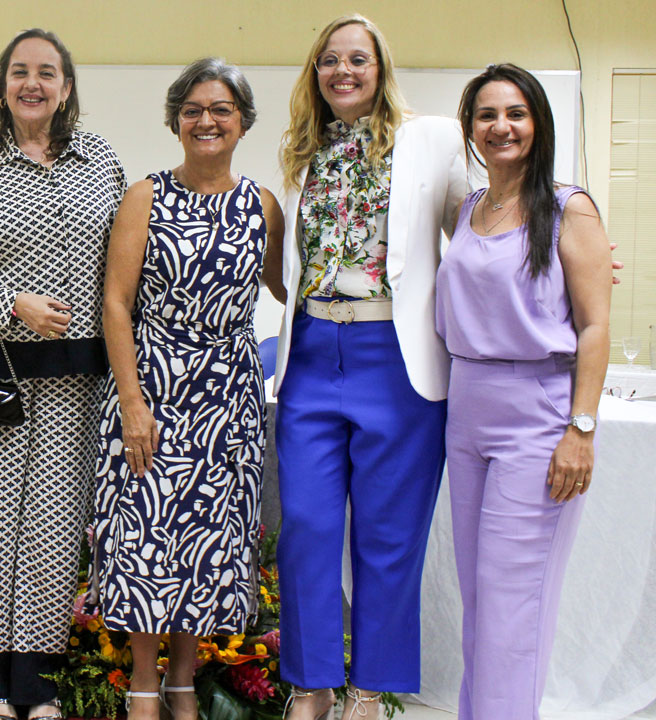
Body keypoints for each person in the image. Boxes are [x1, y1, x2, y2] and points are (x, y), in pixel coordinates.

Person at [260, 15, 468, 720]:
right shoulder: (300, 150)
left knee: (388, 537)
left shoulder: (433, 138)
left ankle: (369, 692)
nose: (343, 71)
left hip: (397, 362)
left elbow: (485, 223)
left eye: (358, 59)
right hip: (315, 354)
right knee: (309, 531)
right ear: (314, 71)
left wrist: (563, 241)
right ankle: (313, 686)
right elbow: (289, 266)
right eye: (329, 60)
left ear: (381, 68)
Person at [0, 28, 126, 720]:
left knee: (52, 524)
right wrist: (12, 304)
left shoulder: (100, 160)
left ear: (67, 86)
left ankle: (35, 683)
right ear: (2, 86)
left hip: (74, 376)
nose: (33, 83)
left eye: (47, 72)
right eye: (20, 72)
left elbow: (125, 264)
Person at [93, 58, 284, 720]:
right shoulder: (146, 195)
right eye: (194, 109)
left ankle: (183, 677)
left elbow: (295, 288)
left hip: (228, 394)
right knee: (149, 532)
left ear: (243, 122)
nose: (207, 120)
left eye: (221, 109)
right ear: (176, 120)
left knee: (208, 540)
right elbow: (115, 304)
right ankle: (145, 680)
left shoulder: (263, 205)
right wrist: (132, 405)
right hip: (155, 386)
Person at [438, 64, 611, 720]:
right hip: (467, 412)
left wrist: (581, 428)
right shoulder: (469, 207)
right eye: (487, 115)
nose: (501, 126)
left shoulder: (570, 207)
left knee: (514, 605)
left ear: (538, 124)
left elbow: (596, 326)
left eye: (516, 113)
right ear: (471, 130)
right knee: (481, 602)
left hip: (536, 417)